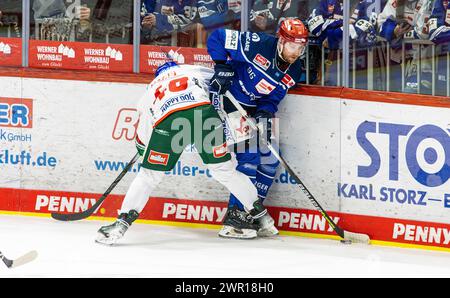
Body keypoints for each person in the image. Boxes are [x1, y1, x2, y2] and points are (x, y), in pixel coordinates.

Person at [96, 61, 270, 245]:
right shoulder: (192, 70)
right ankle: (262, 217)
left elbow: (144, 128)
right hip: (203, 115)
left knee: (148, 176)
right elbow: (219, 82)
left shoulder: (151, 87)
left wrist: (143, 148)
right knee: (224, 171)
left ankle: (121, 224)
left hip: (170, 121)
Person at [206, 18, 308, 238]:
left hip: (249, 111)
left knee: (272, 158)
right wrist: (222, 65)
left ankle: (251, 212)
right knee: (251, 153)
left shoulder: (296, 68)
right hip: (226, 101)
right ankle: (234, 218)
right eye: (293, 45)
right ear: (281, 41)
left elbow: (272, 97)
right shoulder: (258, 43)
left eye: (301, 47)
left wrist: (264, 113)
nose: (296, 51)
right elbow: (217, 37)